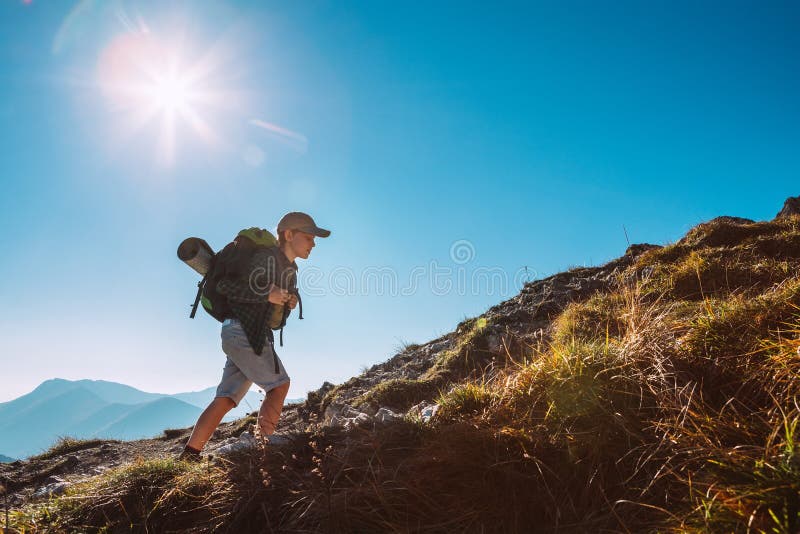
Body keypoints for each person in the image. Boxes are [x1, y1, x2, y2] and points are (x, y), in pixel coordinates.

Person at [179, 212, 330, 461]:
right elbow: (225, 286)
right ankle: (261, 448)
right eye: (308, 237)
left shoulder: (289, 269)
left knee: (226, 398)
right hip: (244, 332)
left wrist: (286, 302)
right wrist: (267, 295)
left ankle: (189, 455)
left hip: (244, 333)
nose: (313, 244)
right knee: (279, 386)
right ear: (289, 234)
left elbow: (273, 316)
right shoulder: (267, 258)